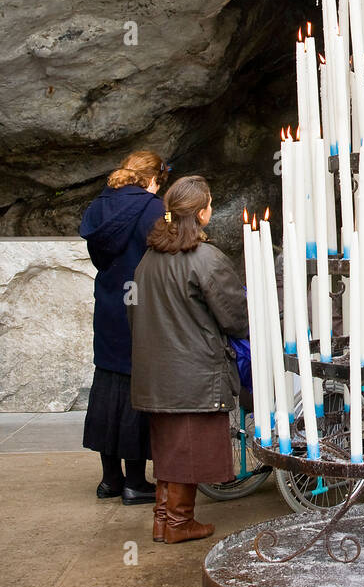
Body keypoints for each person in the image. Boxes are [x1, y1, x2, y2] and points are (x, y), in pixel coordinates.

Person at [129, 176, 249, 544]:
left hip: (156, 373)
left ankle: (164, 520)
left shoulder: (149, 258)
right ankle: (179, 523)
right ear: (201, 212)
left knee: (170, 447)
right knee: (189, 449)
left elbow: (133, 312)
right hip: (195, 373)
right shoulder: (205, 258)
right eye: (210, 203)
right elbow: (237, 317)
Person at [80, 150, 168, 503]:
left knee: (108, 382)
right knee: (137, 386)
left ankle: (110, 480)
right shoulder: (151, 207)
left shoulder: (100, 203)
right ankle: (135, 481)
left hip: (109, 301)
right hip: (143, 304)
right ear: (153, 177)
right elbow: (164, 252)